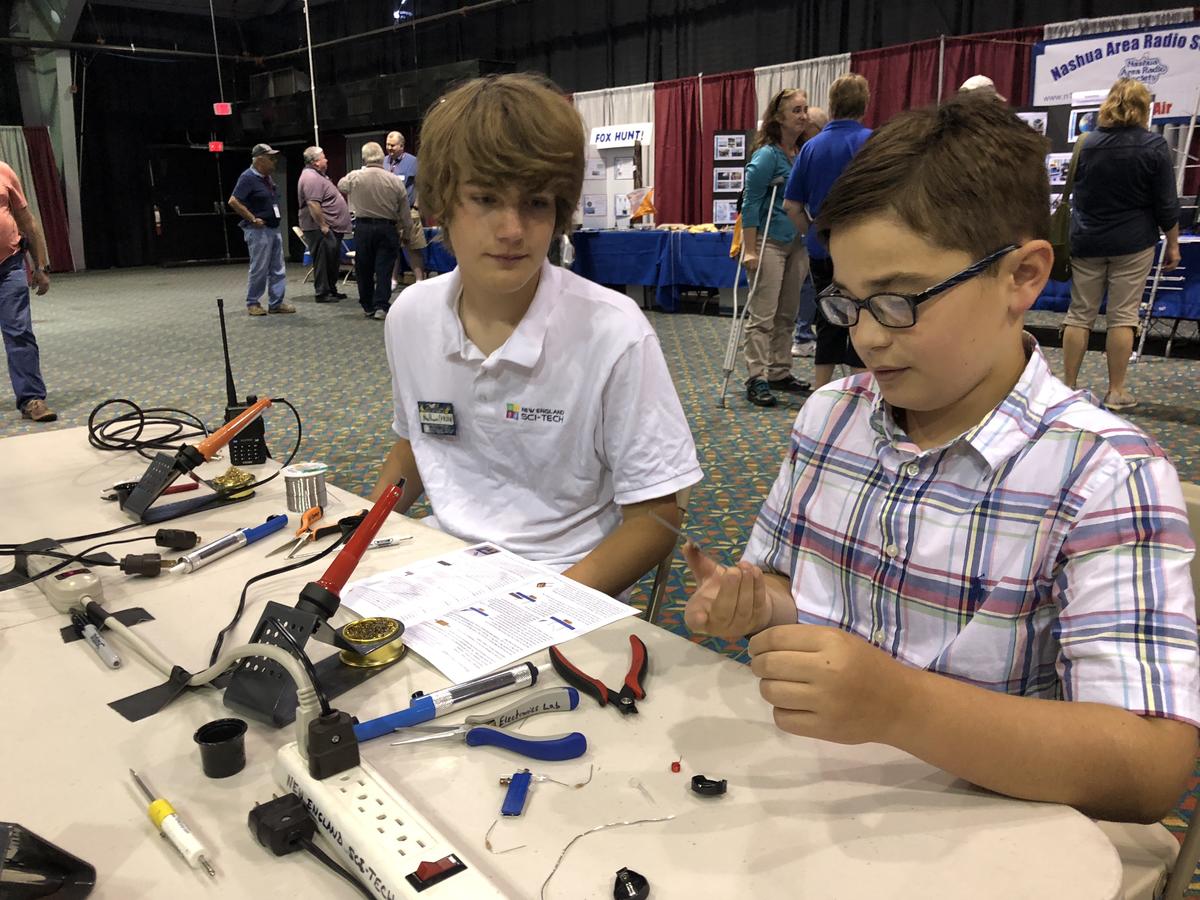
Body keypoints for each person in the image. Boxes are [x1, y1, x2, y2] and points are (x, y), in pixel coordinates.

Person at [681, 94, 1198, 824]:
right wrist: (758, 603)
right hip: (820, 798)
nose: (866, 338)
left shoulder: (1106, 475)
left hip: (992, 828)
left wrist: (901, 706)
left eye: (898, 301)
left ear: (1022, 276)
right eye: (847, 302)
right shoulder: (832, 417)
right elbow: (788, 586)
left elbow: (1148, 767)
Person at [372, 73, 702, 597]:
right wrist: (357, 541)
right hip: (441, 565)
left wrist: (540, 608)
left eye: (536, 203)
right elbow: (416, 443)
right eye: (485, 198)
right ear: (444, 203)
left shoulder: (614, 332)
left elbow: (656, 517)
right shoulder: (410, 315)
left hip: (566, 576)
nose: (512, 230)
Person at [1061, 78, 1181, 411]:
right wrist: (1173, 244)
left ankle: (1067, 388)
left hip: (1087, 240)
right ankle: (1116, 392)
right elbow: (1167, 204)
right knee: (1123, 316)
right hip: (1133, 242)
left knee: (1079, 314)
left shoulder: (1085, 143)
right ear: (1144, 109)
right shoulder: (1154, 146)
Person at [783, 74, 871, 389]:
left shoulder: (810, 148)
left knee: (827, 320)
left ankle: (820, 393)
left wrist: (812, 233)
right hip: (863, 248)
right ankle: (859, 391)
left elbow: (791, 205)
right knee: (863, 317)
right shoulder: (873, 143)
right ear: (865, 104)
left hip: (822, 247)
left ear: (832, 105)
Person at [741, 88, 812, 407]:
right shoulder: (767, 156)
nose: (803, 116)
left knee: (787, 313)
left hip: (797, 242)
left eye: (805, 109)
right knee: (763, 314)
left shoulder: (801, 152)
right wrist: (750, 249)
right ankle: (756, 376)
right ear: (779, 117)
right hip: (768, 241)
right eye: (796, 110)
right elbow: (750, 202)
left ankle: (779, 371)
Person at [0, 161, 55, 422]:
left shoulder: (4, 171)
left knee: (19, 332)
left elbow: (27, 221)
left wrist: (40, 266)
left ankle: (32, 399)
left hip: (9, 265)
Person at [338, 142, 411, 320]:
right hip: (387, 228)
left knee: (364, 268)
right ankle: (381, 306)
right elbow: (404, 211)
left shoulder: (355, 176)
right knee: (384, 269)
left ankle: (367, 305)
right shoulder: (394, 180)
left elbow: (341, 186)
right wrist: (407, 231)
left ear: (364, 159)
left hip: (363, 228)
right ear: (381, 158)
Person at [228, 144, 293, 317]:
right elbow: (233, 201)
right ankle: (253, 303)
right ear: (259, 160)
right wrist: (252, 218)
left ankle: (276, 303)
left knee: (278, 268)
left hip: (273, 228)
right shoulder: (247, 177)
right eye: (270, 158)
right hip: (258, 231)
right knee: (259, 268)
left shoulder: (267, 178)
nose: (274, 161)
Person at [790, 105, 829, 359]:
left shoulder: (809, 151)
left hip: (803, 228)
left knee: (808, 284)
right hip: (798, 229)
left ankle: (803, 334)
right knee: (807, 284)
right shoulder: (804, 152)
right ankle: (802, 335)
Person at [297, 146, 351, 303]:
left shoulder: (318, 175)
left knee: (331, 260)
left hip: (328, 227)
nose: (326, 160)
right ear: (315, 162)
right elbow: (313, 204)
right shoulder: (311, 177)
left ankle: (331, 290)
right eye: (323, 157)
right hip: (319, 228)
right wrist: (323, 225)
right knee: (323, 260)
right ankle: (322, 293)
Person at [385, 130, 427, 286]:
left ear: (401, 146)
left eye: (393, 145)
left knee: (413, 248)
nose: (389, 148)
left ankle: (420, 281)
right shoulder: (383, 162)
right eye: (387, 145)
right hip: (389, 214)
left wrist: (417, 204)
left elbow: (422, 183)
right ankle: (393, 279)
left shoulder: (413, 162)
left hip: (409, 212)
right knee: (392, 248)